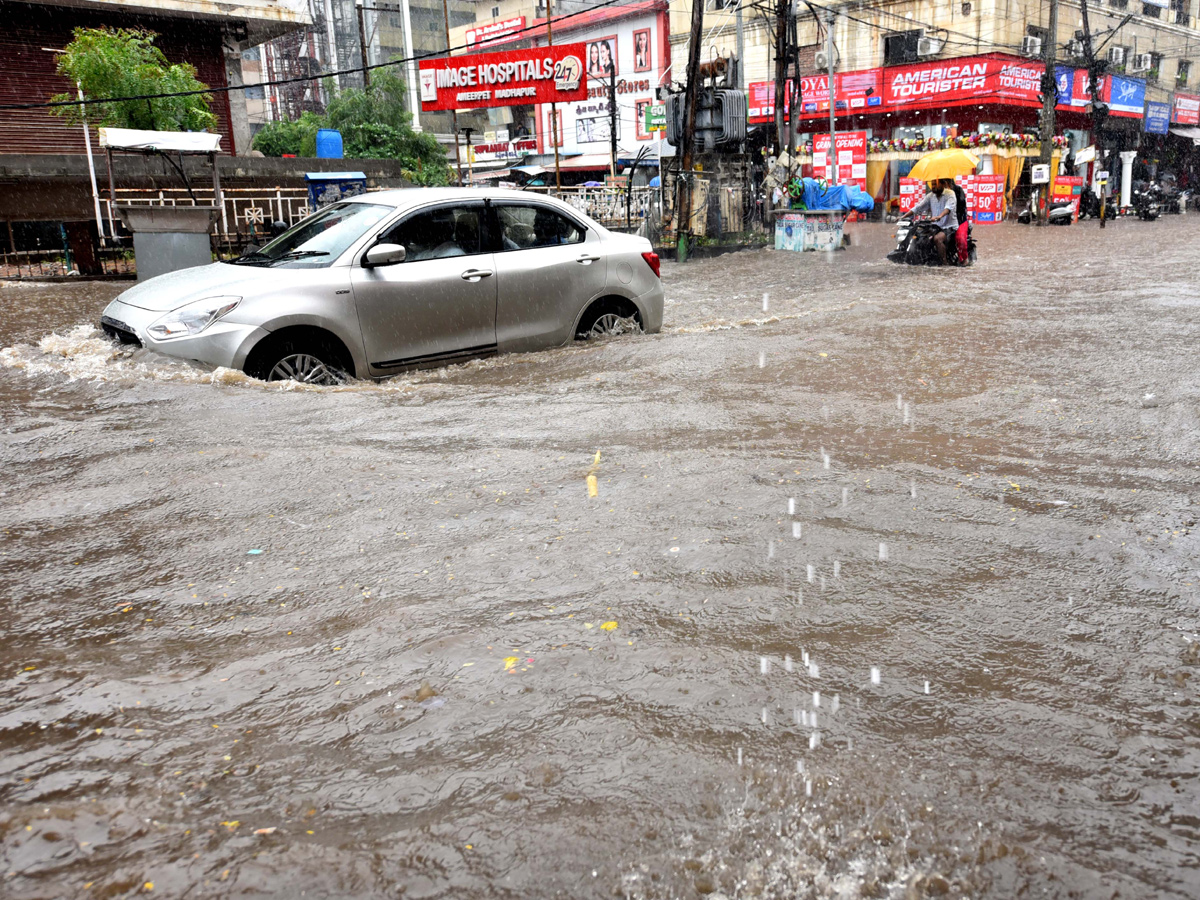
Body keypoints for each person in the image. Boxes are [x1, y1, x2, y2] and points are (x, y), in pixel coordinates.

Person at [904, 178, 958, 265]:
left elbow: (948, 209)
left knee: (937, 239)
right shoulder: (930, 196)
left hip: (949, 226)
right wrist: (903, 216)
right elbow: (919, 207)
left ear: (943, 184)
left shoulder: (950, 194)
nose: (933, 187)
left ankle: (944, 263)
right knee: (920, 236)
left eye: (935, 184)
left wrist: (939, 216)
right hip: (935, 226)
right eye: (932, 184)